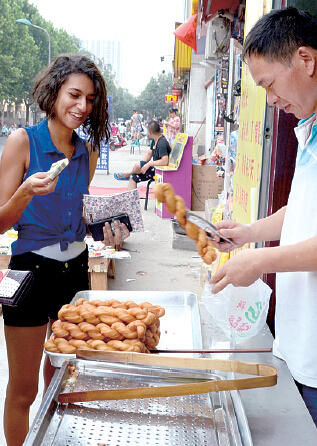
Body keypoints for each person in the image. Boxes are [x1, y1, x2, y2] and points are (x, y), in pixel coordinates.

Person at [0, 54, 129, 446]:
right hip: (28, 273)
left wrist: (108, 231)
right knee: (23, 390)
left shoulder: (86, 152)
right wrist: (24, 192)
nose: (82, 106)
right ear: (54, 92)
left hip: (75, 272)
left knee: (64, 381)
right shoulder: (24, 141)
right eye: (74, 95)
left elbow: (82, 218)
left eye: (90, 99)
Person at [210, 7, 317, 425]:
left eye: (269, 85)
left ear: (306, 60)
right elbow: (306, 211)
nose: (271, 101)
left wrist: (260, 261)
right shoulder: (309, 128)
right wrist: (249, 234)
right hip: (298, 345)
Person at [114, 120, 171, 190]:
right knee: (133, 177)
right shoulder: (155, 140)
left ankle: (128, 174)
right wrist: (142, 165)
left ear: (149, 132)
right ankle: (132, 200)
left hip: (160, 171)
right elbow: (149, 154)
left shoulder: (162, 143)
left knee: (137, 167)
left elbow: (165, 161)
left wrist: (149, 164)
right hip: (155, 168)